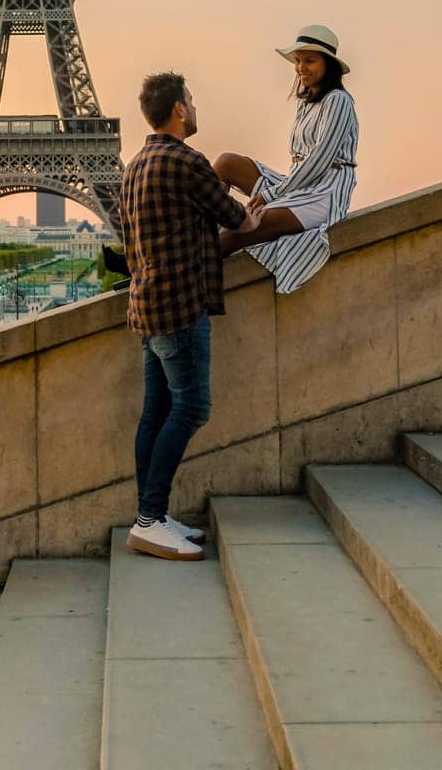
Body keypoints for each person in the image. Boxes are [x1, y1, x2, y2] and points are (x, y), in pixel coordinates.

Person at [121, 70, 259, 562]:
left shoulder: (135, 165)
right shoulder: (186, 161)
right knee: (191, 409)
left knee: (155, 413)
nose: (195, 109)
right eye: (192, 101)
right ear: (179, 109)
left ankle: (150, 516)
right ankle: (150, 520)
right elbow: (238, 219)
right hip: (181, 307)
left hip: (146, 306)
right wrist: (257, 212)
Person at [214, 24, 358, 293]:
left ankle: (173, 263)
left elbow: (318, 162)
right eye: (298, 60)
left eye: (310, 61)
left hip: (323, 193)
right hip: (297, 183)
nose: (301, 67)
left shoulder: (339, 101)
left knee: (245, 227)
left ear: (328, 65)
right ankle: (193, 234)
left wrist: (271, 194)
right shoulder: (306, 103)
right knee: (226, 163)